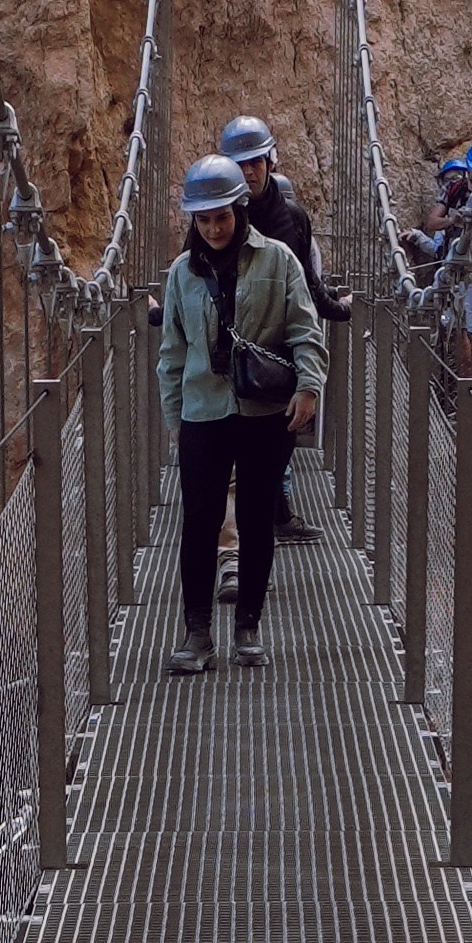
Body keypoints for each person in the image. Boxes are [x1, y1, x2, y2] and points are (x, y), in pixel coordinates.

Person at [155, 150, 324, 668]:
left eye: (221, 216)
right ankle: (197, 634)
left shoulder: (278, 260)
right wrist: (175, 420)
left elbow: (305, 330)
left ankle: (247, 628)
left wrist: (309, 385)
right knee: (199, 522)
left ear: (239, 210)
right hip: (203, 412)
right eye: (202, 219)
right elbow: (172, 354)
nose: (213, 228)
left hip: (263, 412)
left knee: (254, 520)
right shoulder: (182, 273)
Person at [219, 113, 346, 557]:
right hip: (227, 366)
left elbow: (307, 290)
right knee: (236, 470)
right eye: (240, 164)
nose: (249, 171)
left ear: (270, 161)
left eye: (255, 161)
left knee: (269, 463)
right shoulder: (216, 216)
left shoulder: (291, 217)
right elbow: (191, 280)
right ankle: (239, 562)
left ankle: (261, 542)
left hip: (279, 365)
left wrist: (336, 312)